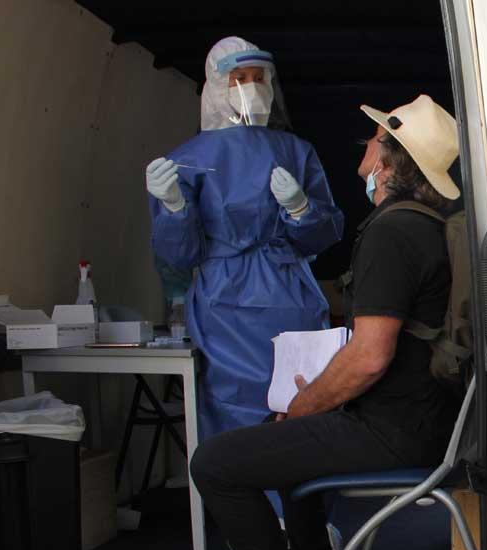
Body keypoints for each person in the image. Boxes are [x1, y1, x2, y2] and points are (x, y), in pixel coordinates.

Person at [190, 94, 462, 550]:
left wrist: (305, 405)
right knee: (285, 445)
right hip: (416, 419)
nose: (365, 147)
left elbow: (369, 356)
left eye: (375, 140)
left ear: (388, 163)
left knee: (214, 463)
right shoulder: (424, 225)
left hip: (391, 430)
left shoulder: (393, 233)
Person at [145, 37, 344, 442]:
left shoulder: (296, 151)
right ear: (217, 86)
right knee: (237, 416)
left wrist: (302, 209)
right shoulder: (189, 159)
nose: (252, 88)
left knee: (304, 404)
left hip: (292, 299)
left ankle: (301, 505)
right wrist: (173, 209)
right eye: (239, 78)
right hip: (226, 308)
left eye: (259, 78)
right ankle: (249, 505)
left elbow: (324, 236)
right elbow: (179, 256)